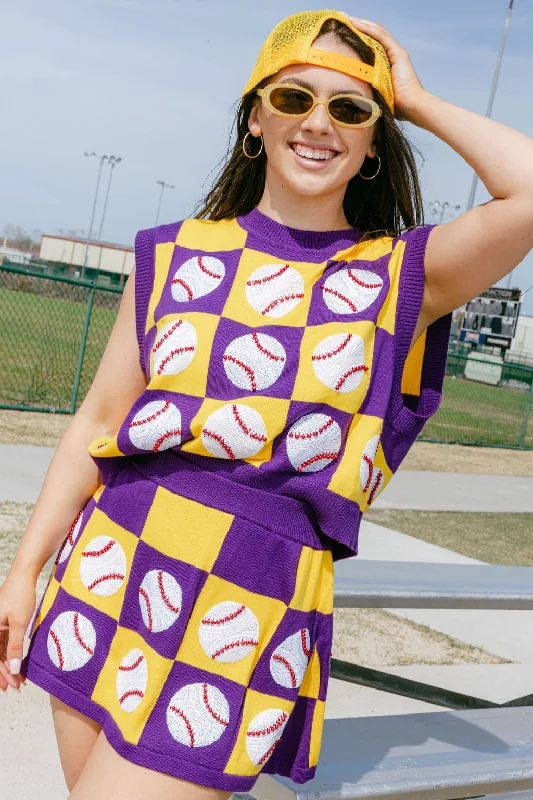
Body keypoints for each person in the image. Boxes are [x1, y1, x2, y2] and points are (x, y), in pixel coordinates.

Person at [2, 8, 533, 799]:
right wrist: (24, 571)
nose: (318, 123)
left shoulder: (396, 277)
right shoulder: (170, 253)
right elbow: (99, 423)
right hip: (111, 564)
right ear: (255, 116)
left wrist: (412, 96)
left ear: (372, 141)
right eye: (294, 99)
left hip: (250, 594)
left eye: (350, 109)